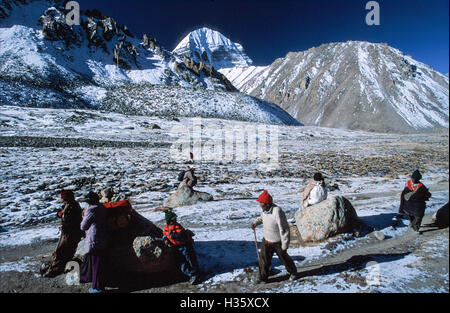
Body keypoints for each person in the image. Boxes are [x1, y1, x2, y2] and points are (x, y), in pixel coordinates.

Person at [251, 190, 298, 283]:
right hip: (267, 240)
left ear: (267, 204)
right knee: (263, 260)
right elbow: (262, 218)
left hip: (278, 241)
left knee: (284, 259)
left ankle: (293, 272)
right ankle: (263, 278)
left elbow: (284, 228)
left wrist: (284, 244)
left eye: (261, 203)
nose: (260, 205)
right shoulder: (264, 210)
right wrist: (255, 223)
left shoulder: (277, 211)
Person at [42, 189, 83, 277]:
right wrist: (60, 214)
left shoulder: (73, 207)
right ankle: (56, 266)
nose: (64, 200)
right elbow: (63, 214)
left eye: (65, 198)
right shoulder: (69, 205)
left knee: (62, 250)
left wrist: (65, 226)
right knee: (63, 250)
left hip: (71, 232)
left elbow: (75, 221)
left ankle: (56, 269)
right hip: (67, 232)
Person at [80, 191, 109, 293]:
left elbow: (84, 226)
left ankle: (97, 287)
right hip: (103, 237)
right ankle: (100, 285)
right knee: (100, 264)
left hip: (94, 239)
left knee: (95, 264)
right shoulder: (102, 207)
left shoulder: (91, 209)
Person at [162, 210, 200, 285]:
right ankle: (189, 274)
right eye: (173, 219)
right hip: (176, 247)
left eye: (175, 219)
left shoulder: (177, 226)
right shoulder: (166, 227)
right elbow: (164, 234)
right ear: (169, 221)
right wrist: (165, 239)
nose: (175, 220)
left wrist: (172, 236)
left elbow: (181, 235)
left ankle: (195, 274)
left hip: (184, 246)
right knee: (181, 262)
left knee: (190, 259)